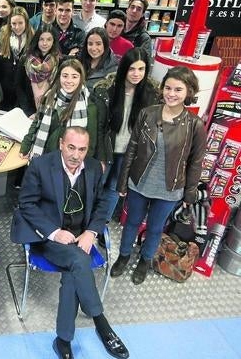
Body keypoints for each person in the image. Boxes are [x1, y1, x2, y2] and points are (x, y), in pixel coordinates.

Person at [11, 126, 129, 359]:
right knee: (78, 259)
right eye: (71, 147)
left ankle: (63, 340)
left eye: (82, 149)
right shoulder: (40, 165)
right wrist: (54, 232)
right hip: (49, 237)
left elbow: (102, 204)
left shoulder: (94, 168)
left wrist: (92, 232)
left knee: (74, 269)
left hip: (80, 236)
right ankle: (101, 323)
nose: (76, 154)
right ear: (61, 145)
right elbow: (26, 204)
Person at [111, 66, 207, 285]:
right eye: (168, 88)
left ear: (189, 92)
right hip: (140, 182)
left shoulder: (195, 125)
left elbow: (196, 162)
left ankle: (145, 260)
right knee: (132, 223)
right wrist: (123, 181)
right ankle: (124, 256)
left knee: (155, 228)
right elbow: (132, 148)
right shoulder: (148, 113)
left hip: (169, 189)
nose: (171, 93)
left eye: (178, 89)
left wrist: (190, 194)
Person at [92, 47, 159, 222]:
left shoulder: (150, 94)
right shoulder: (108, 90)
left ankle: (101, 223)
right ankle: (87, 220)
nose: (136, 74)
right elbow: (99, 126)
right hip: (107, 148)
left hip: (129, 152)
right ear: (124, 68)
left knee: (114, 187)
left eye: (141, 69)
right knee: (95, 185)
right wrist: (99, 154)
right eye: (132, 68)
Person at [20, 58, 107, 166]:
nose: (69, 81)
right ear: (59, 77)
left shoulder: (89, 107)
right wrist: (25, 145)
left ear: (81, 79)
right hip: (45, 157)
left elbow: (91, 142)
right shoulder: (49, 97)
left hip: (71, 165)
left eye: (74, 76)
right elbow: (36, 123)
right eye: (65, 76)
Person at [16, 25, 60, 117]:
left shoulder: (59, 61)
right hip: (28, 111)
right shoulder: (25, 59)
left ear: (53, 42)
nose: (45, 43)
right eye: (41, 39)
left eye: (49, 39)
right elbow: (19, 86)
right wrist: (29, 112)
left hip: (50, 111)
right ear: (36, 40)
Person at [0, 6, 34, 111]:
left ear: (26, 23)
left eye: (20, 23)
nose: (17, 27)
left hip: (24, 89)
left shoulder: (33, 38)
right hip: (5, 88)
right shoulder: (3, 36)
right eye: (13, 24)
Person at [78, 27, 118, 93]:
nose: (94, 48)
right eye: (90, 44)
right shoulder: (79, 60)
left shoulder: (113, 70)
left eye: (98, 44)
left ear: (105, 45)